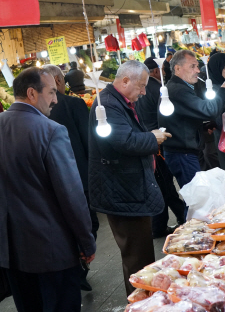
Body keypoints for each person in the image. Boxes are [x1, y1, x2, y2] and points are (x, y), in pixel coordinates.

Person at [0, 67, 95, 312]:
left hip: (10, 251)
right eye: (51, 92)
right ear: (32, 93)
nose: (55, 99)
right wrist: (86, 241)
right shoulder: (51, 130)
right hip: (51, 251)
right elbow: (70, 194)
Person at [88, 61, 170, 296]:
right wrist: (153, 138)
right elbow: (124, 141)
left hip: (129, 189)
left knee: (142, 254)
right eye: (141, 86)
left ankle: (147, 301)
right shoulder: (107, 105)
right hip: (122, 192)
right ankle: (141, 302)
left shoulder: (121, 101)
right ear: (125, 81)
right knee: (137, 258)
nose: (144, 92)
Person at [44, 64, 99, 292]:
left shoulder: (39, 109)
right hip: (80, 177)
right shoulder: (75, 104)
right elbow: (89, 142)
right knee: (88, 222)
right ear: (58, 81)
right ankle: (81, 265)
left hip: (52, 180)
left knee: (65, 225)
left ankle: (74, 267)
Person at [159, 50, 225, 187]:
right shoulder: (177, 90)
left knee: (199, 196)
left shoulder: (184, 87)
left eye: (197, 66)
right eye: (192, 66)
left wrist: (203, 127)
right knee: (196, 199)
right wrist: (224, 90)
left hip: (188, 152)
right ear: (178, 68)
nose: (197, 70)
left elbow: (184, 118)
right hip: (182, 154)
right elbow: (209, 110)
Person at [135, 58, 186, 239]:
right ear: (156, 70)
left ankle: (180, 216)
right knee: (163, 184)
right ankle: (160, 226)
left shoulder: (142, 90)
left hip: (150, 141)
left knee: (164, 185)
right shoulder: (157, 89)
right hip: (157, 142)